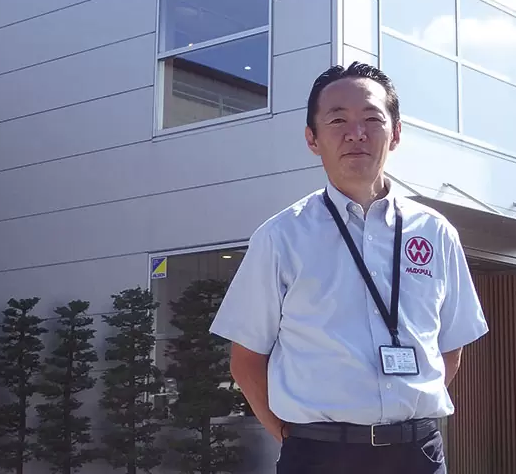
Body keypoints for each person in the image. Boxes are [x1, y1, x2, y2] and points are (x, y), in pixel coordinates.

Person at [209, 62, 489, 473]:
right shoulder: (280, 237)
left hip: (417, 454)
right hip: (320, 455)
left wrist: (403, 409)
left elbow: (451, 345)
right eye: (338, 120)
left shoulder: (436, 233)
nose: (356, 133)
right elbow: (246, 358)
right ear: (312, 138)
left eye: (372, 119)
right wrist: (290, 436)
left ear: (396, 133)